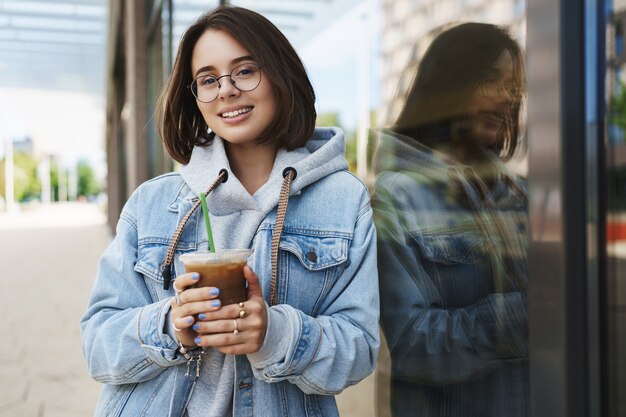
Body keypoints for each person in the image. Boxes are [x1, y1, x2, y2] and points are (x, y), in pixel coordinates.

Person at [80, 6, 379, 417]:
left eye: (244, 71)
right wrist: (169, 325)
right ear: (196, 97)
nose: (226, 90)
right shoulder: (151, 205)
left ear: (279, 74)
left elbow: (360, 349)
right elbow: (97, 346)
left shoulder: (344, 201)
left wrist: (276, 335)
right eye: (207, 79)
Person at [372, 23, 528, 417]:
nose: (505, 99)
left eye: (512, 87)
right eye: (490, 81)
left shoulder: (519, 194)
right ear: (447, 84)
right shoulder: (397, 196)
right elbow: (409, 344)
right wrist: (525, 316)